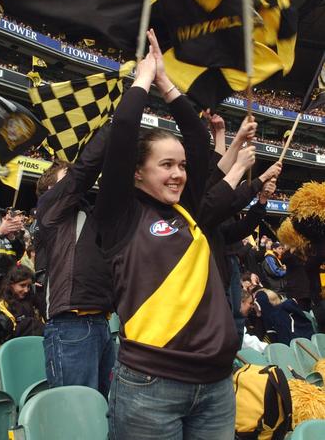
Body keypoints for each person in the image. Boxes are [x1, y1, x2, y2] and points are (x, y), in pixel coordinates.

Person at [95, 30, 254, 439]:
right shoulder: (120, 214)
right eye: (166, 165)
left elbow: (200, 144)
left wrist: (168, 84)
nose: (179, 174)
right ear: (136, 172)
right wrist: (143, 79)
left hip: (217, 387)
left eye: (181, 166)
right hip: (152, 386)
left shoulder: (191, 209)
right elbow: (125, 128)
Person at [36, 128, 115, 399]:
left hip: (102, 323)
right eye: (66, 179)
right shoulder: (50, 211)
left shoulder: (89, 215)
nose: (74, 182)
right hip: (71, 325)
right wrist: (115, 123)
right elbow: (84, 173)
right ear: (51, 189)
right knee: (76, 413)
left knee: (104, 412)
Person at [0, 264, 44, 341]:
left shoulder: (31, 301)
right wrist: (32, 323)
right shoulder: (3, 303)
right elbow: (12, 330)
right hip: (16, 347)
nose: (26, 290)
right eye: (22, 285)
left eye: (29, 286)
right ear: (10, 284)